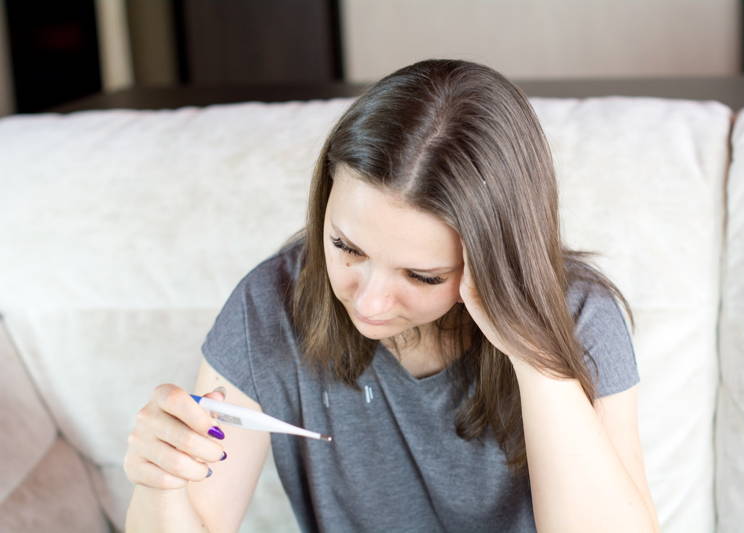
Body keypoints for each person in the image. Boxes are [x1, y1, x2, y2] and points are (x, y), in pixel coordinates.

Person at [124, 59, 660, 532]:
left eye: (422, 276)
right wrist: (160, 479)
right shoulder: (270, 307)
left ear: (496, 259)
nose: (369, 304)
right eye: (346, 246)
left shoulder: (581, 315)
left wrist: (531, 351)